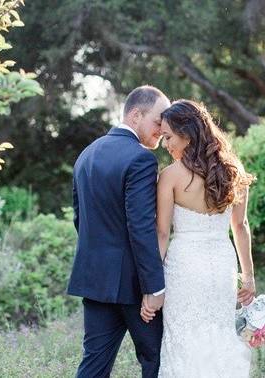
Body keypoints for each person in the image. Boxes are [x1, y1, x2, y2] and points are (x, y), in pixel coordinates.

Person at [146, 99, 256, 377]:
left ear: (188, 133)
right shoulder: (233, 171)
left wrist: (152, 287)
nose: (166, 145)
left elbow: (162, 234)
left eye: (169, 137)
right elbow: (240, 226)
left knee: (183, 341)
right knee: (219, 337)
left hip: (184, 270)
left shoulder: (169, 177)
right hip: (222, 268)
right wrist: (249, 276)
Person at [68, 85, 171, 378]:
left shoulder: (86, 154)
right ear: (136, 115)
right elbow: (140, 227)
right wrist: (154, 288)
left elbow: (81, 220)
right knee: (156, 361)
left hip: (95, 280)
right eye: (158, 121)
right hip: (135, 288)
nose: (162, 130)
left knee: (93, 366)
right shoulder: (140, 159)